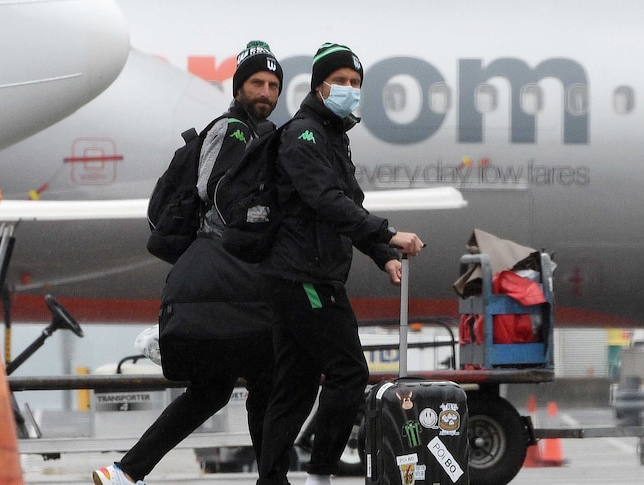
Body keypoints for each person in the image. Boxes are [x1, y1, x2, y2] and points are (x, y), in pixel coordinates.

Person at [93, 40, 287, 485]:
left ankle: (125, 471)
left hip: (224, 276)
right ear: (240, 87)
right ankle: (271, 479)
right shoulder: (234, 129)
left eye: (273, 85)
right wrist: (256, 227)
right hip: (232, 271)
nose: (265, 92)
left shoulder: (257, 132)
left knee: (216, 390)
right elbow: (214, 190)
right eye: (257, 82)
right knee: (265, 378)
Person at [254, 43, 424, 485]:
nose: (349, 90)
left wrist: (383, 256)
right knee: (349, 372)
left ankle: (272, 479)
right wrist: (388, 235)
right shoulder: (304, 135)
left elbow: (351, 204)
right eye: (341, 82)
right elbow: (326, 201)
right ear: (319, 85)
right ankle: (321, 470)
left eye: (356, 83)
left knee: (295, 385)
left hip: (301, 274)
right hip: (303, 275)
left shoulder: (332, 136)